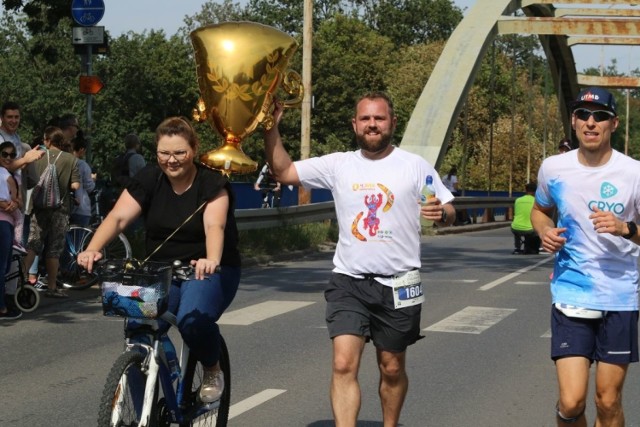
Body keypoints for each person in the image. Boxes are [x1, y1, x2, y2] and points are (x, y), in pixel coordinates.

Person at [264, 91, 456, 426]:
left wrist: (443, 212)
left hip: (400, 283)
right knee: (342, 364)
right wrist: (270, 129)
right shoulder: (339, 164)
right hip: (349, 282)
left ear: (392, 123)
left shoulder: (414, 165)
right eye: (365, 119)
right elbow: (284, 172)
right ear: (355, 124)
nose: (372, 125)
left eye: (379, 118)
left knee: (392, 367)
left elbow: (448, 206)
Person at [77, 117, 241, 404]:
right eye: (164, 153)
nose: (171, 160)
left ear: (194, 148)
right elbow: (118, 217)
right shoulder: (149, 178)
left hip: (205, 271)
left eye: (180, 153)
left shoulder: (212, 183)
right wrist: (93, 249)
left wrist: (211, 259)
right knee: (138, 330)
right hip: (160, 271)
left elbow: (214, 226)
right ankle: (146, 412)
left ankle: (212, 367)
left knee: (192, 320)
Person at [531, 87, 640, 426]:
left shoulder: (634, 173)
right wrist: (544, 231)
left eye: (601, 116)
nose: (591, 123)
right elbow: (539, 210)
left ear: (614, 123)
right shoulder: (553, 168)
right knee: (572, 401)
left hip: (620, 297)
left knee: (607, 402)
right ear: (574, 121)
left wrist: (626, 229)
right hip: (571, 293)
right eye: (583, 115)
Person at [23, 126, 80, 298]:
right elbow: (75, 185)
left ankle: (20, 281)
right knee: (54, 249)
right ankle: (52, 287)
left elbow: (30, 179)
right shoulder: (71, 159)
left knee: (33, 244)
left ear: (47, 140)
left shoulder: (38, 157)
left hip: (38, 208)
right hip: (60, 210)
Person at [0, 142, 23, 319]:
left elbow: (18, 200)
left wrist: (14, 203)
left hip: (8, 222)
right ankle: (1, 308)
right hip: (2, 223)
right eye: (4, 154)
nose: (8, 157)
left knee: (6, 265)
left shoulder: (12, 175)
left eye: (12, 155)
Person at [70, 133, 96, 226]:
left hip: (66, 207)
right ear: (81, 149)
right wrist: (93, 180)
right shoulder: (83, 165)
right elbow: (89, 187)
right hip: (81, 208)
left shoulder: (65, 162)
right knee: (78, 239)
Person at [510, 182, 540, 254]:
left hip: (515, 228)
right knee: (538, 227)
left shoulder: (518, 200)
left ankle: (517, 248)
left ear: (526, 191)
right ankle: (533, 248)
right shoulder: (536, 201)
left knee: (518, 226)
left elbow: (515, 213)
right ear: (536, 191)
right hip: (530, 230)